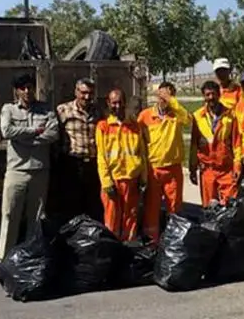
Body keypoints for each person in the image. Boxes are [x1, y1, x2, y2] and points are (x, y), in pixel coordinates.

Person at [0, 72, 59, 261]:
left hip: (40, 170)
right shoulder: (9, 109)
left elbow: (53, 133)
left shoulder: (45, 109)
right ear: (16, 91)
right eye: (23, 88)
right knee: (10, 215)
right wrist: (33, 131)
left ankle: (31, 257)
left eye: (30, 87)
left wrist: (25, 139)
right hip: (17, 170)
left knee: (37, 218)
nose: (27, 91)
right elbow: (7, 131)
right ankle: (3, 259)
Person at [138, 81, 191, 243]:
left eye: (168, 96)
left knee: (174, 208)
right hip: (153, 170)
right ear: (157, 96)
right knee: (152, 209)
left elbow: (189, 120)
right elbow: (138, 142)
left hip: (173, 170)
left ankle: (173, 243)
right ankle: (152, 243)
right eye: (162, 95)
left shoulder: (176, 114)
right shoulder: (145, 116)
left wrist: (173, 101)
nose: (164, 99)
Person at [95, 88, 146, 242]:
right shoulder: (103, 126)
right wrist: (106, 182)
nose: (117, 106)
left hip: (131, 179)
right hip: (113, 181)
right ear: (109, 103)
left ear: (125, 103)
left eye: (120, 102)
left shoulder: (135, 126)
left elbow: (142, 155)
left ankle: (129, 248)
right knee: (112, 219)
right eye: (114, 103)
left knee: (131, 217)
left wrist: (144, 179)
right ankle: (112, 249)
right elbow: (101, 157)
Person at [53, 77, 103, 224]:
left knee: (93, 204)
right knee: (72, 205)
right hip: (72, 164)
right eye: (83, 93)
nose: (87, 97)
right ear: (76, 92)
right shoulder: (63, 110)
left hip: (93, 164)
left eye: (90, 93)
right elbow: (56, 136)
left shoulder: (98, 111)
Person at [191, 80, 242, 206]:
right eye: (207, 95)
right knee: (208, 209)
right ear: (203, 96)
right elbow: (194, 145)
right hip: (207, 169)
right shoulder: (198, 116)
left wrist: (237, 165)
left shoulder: (230, 115)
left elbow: (237, 143)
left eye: (213, 94)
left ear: (219, 95)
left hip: (226, 169)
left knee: (230, 207)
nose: (211, 97)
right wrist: (192, 167)